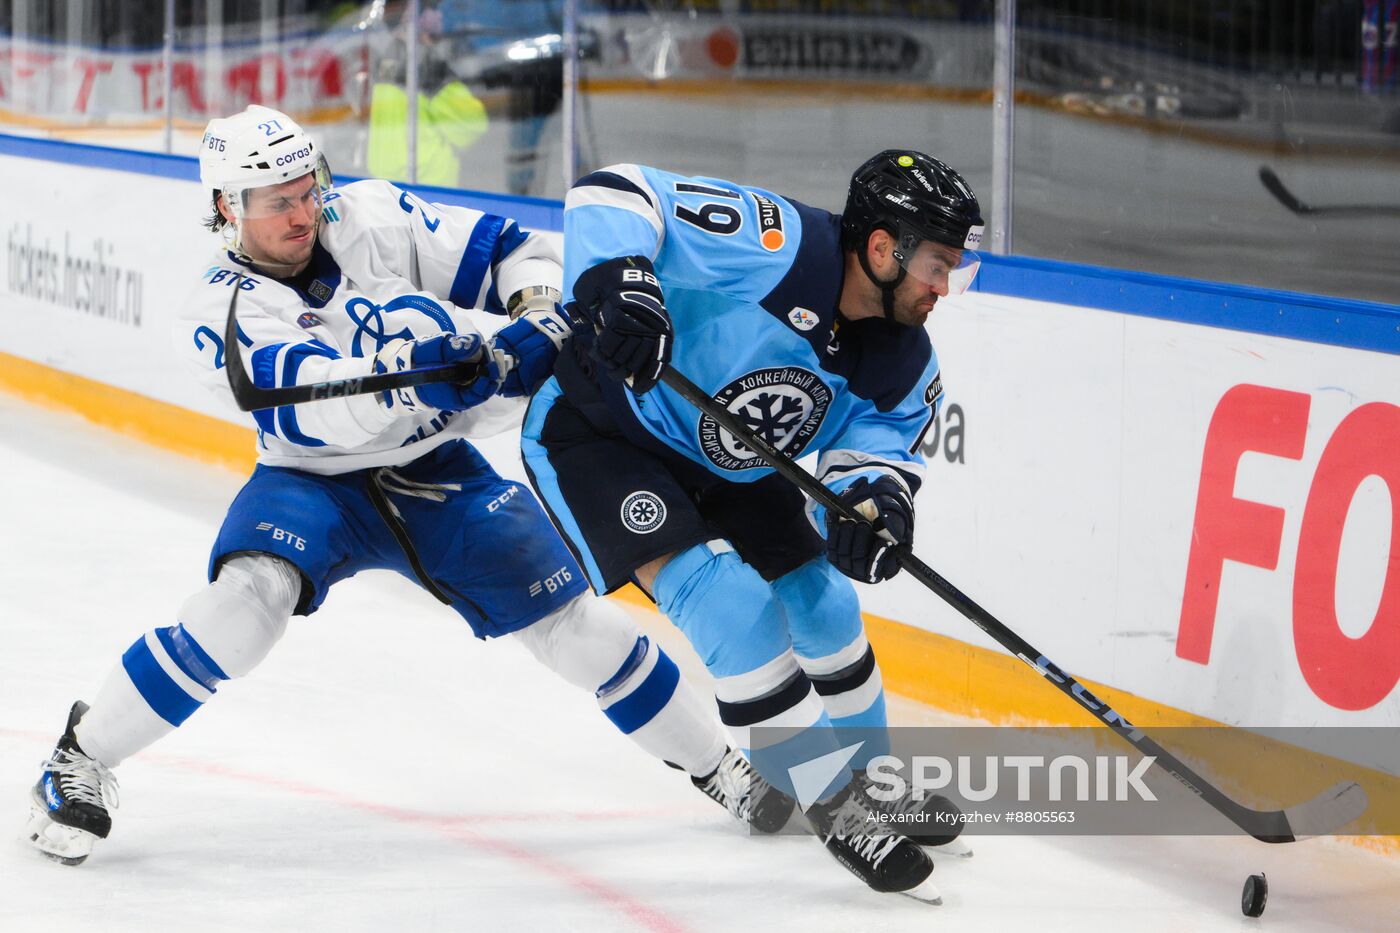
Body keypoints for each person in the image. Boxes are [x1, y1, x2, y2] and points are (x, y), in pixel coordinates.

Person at [25, 105, 792, 867]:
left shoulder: (372, 217)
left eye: (308, 188)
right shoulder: (218, 309)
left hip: (438, 472)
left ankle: (715, 765)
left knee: (574, 626)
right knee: (244, 606)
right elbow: (312, 405)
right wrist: (441, 377)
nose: (303, 211)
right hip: (315, 483)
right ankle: (77, 758)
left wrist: (536, 315)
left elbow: (512, 249)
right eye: (278, 201)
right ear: (229, 208)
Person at [520, 151, 984, 900]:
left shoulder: (902, 358)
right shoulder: (778, 244)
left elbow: (878, 451)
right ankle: (837, 806)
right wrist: (624, 280)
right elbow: (614, 190)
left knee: (826, 601)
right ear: (880, 249)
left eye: (956, 269)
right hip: (603, 431)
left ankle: (875, 779)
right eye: (937, 264)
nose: (943, 287)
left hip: (731, 456)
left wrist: (874, 505)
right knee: (732, 607)